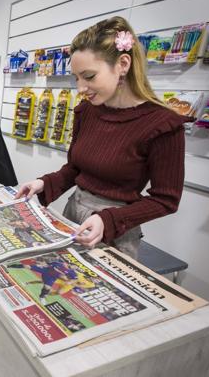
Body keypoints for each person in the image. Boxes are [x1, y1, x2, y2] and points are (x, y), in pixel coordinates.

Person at [15, 16, 192, 260]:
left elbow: (166, 200)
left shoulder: (163, 125)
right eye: (76, 78)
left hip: (114, 232)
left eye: (88, 76)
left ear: (122, 64)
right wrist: (44, 183)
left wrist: (107, 219)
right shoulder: (86, 111)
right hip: (73, 216)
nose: (80, 88)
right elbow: (76, 169)